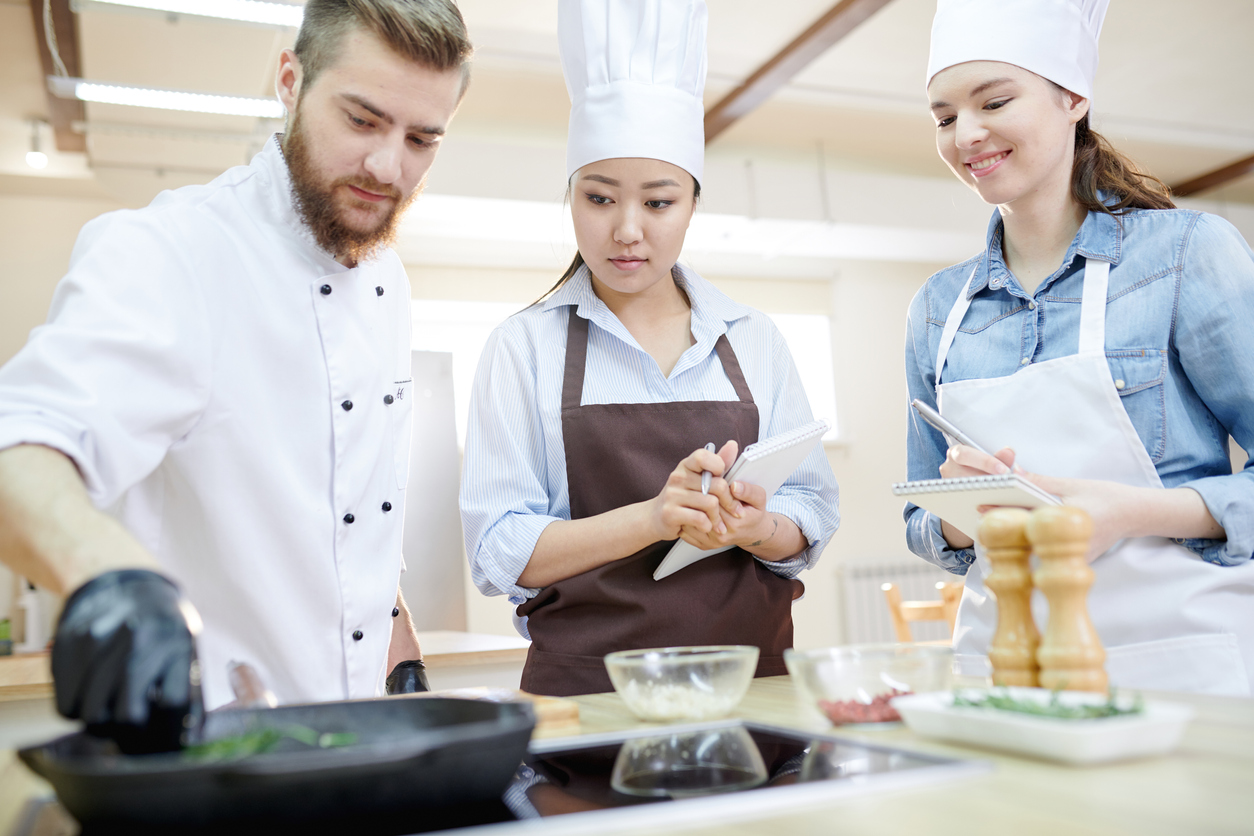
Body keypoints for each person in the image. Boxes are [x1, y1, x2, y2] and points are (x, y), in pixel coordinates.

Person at [0, 0, 473, 750]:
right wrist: (110, 579)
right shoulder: (172, 252)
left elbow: (351, 504)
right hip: (209, 758)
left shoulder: (388, 280)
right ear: (290, 80)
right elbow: (20, 447)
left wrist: (398, 644)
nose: (390, 167)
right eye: (361, 119)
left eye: (422, 139)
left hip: (353, 747)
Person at [459, 0, 840, 698]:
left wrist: (757, 526)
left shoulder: (753, 338)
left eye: (658, 203)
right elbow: (497, 550)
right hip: (587, 699)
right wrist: (653, 518)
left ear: (693, 203)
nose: (627, 230)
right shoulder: (523, 347)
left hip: (754, 690)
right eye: (599, 199)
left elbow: (811, 513)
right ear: (570, 196)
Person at [904, 0, 1254, 694]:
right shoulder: (938, 308)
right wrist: (965, 516)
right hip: (1001, 673)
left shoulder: (1186, 255)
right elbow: (921, 520)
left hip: (1176, 667)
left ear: (1072, 98)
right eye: (944, 117)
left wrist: (1128, 512)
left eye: (994, 101)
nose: (966, 134)